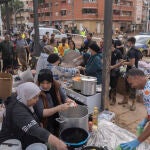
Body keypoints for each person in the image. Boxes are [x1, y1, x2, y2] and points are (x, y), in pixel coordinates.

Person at [0, 82, 67, 150]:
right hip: (12, 144)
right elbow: (34, 129)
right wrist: (58, 143)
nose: (37, 100)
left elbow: (32, 114)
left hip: (23, 135)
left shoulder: (22, 99)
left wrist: (37, 122)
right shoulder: (17, 111)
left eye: (38, 96)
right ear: (26, 96)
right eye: (34, 97)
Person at [34, 69, 75, 135]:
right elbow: (42, 113)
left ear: (52, 81)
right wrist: (59, 108)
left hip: (58, 117)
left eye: (47, 83)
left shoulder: (56, 85)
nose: (45, 86)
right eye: (42, 83)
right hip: (45, 123)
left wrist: (68, 100)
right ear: (39, 82)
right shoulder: (36, 91)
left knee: (59, 133)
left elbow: (64, 97)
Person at [120, 68, 150, 150]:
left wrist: (137, 140)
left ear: (137, 77)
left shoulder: (148, 91)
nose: (132, 86)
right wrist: (146, 119)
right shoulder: (146, 87)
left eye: (131, 83)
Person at [118, 37, 139, 111]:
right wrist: (124, 60)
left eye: (128, 42)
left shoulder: (132, 51)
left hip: (132, 72)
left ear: (131, 42)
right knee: (126, 86)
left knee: (132, 88)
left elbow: (132, 63)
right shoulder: (133, 49)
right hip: (130, 71)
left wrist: (123, 63)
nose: (127, 43)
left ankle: (133, 104)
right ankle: (125, 100)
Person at [109, 40, 123, 105]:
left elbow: (121, 62)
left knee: (113, 86)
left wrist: (113, 67)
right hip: (107, 71)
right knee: (108, 85)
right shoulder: (106, 51)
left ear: (112, 44)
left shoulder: (117, 52)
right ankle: (108, 97)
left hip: (115, 71)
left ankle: (113, 99)